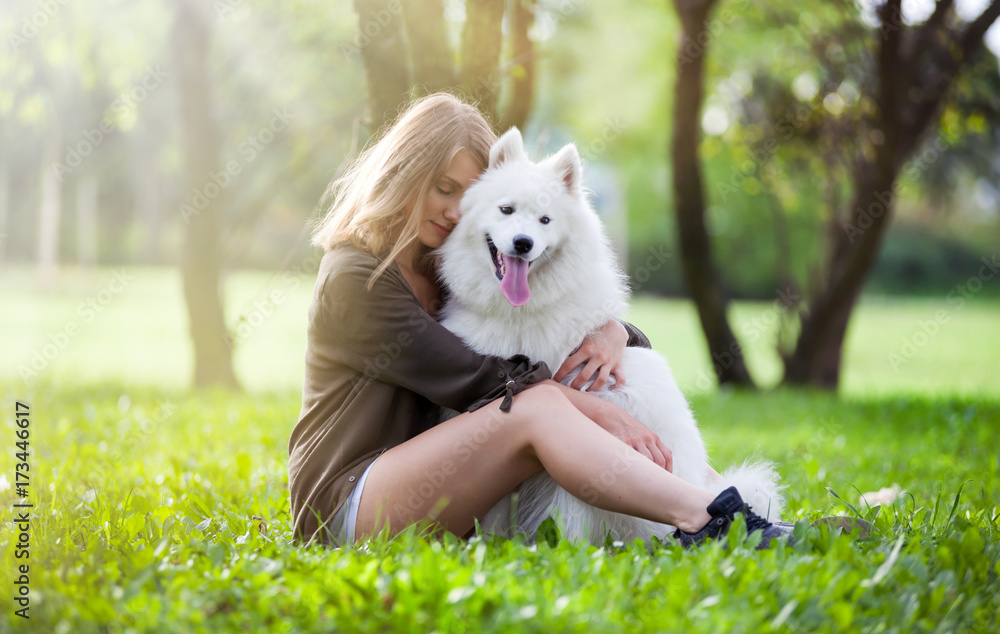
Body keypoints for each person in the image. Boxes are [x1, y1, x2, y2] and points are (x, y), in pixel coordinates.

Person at [287, 92, 791, 550]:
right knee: (531, 407)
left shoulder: (442, 267)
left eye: (468, 194)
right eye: (443, 188)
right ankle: (706, 520)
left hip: (434, 487)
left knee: (572, 396)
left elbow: (549, 324)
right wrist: (599, 412)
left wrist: (614, 331)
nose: (455, 209)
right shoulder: (355, 277)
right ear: (404, 173)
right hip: (344, 505)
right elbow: (479, 378)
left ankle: (727, 505)